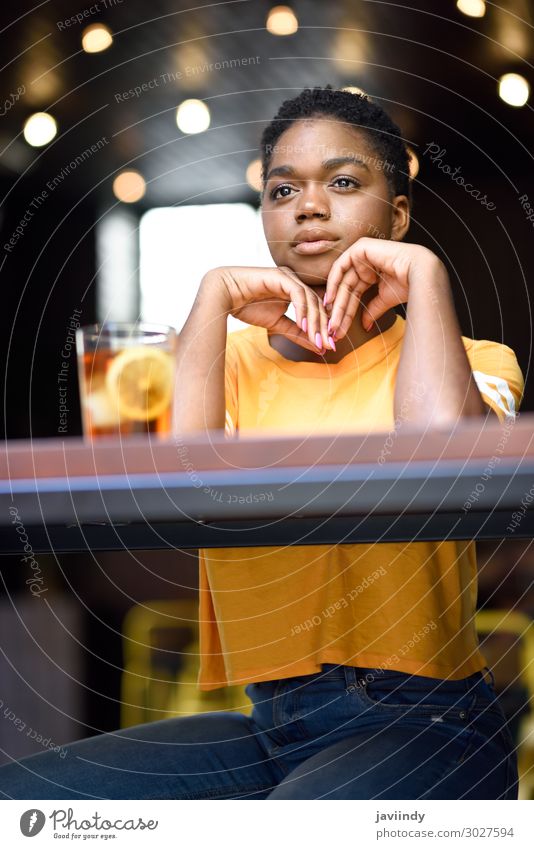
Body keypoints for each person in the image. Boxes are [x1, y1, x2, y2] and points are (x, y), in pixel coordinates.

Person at [0, 86, 524, 800]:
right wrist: (212, 297)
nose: (308, 206)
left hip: (431, 716)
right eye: (283, 189)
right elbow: (170, 490)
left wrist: (423, 274)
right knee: (29, 799)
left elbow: (441, 450)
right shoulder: (223, 363)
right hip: (270, 719)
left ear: (397, 212)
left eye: (343, 182)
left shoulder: (477, 360)